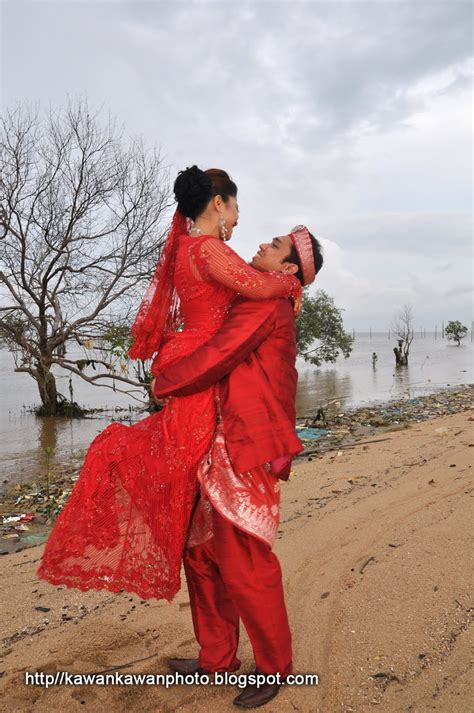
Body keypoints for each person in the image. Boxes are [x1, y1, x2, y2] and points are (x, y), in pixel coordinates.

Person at [36, 166, 302, 606]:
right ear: (219, 204)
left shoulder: (190, 246)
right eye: (236, 208)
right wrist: (295, 281)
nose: (238, 219)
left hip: (195, 360)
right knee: (182, 466)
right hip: (200, 364)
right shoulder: (208, 249)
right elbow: (257, 286)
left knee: (188, 474)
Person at [151, 227, 323, 708]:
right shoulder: (263, 296)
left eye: (275, 247)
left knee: (245, 563)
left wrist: (166, 381)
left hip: (245, 446)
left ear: (289, 270)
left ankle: (275, 667)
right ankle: (217, 658)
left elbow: (219, 354)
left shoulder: (266, 305)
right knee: (202, 556)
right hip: (220, 441)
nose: (263, 245)